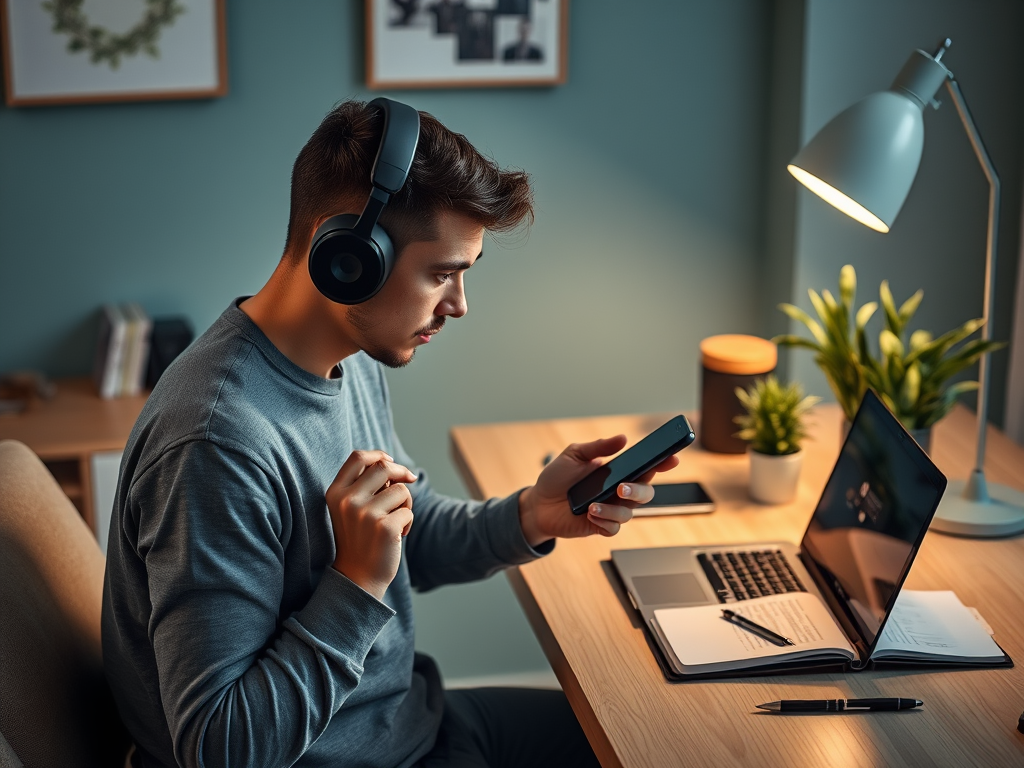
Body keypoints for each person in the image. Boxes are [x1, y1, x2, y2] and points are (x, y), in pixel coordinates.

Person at [102, 99, 677, 768]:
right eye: (441, 273)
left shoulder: (342, 357)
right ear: (347, 257)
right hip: (359, 756)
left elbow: (406, 532)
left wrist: (531, 515)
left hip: (407, 725)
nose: (459, 305)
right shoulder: (217, 448)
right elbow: (220, 746)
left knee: (655, 741)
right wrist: (356, 580)